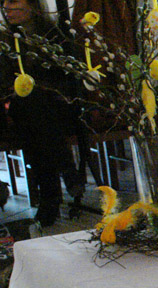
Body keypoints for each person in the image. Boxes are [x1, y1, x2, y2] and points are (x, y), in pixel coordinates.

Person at [1, 0, 85, 227]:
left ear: (32, 5)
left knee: (37, 110)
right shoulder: (6, 39)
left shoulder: (54, 34)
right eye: (4, 2)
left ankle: (50, 197)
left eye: (13, 1)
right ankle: (66, 167)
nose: (7, 7)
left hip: (57, 106)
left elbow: (68, 76)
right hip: (26, 110)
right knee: (31, 107)